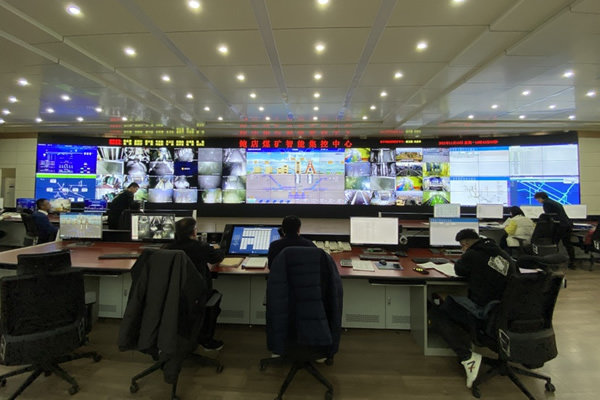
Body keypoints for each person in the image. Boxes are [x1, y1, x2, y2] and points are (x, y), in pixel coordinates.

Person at [429, 229, 515, 389]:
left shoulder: (472, 255)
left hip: (486, 313)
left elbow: (459, 270)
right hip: (509, 314)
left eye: (462, 246)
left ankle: (467, 357)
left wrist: (464, 257)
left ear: (465, 244)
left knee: (437, 310)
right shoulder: (502, 254)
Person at [164, 217, 225, 351]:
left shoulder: (167, 248)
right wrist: (219, 249)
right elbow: (217, 257)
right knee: (212, 298)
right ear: (194, 232)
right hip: (197, 294)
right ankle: (206, 340)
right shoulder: (201, 247)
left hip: (173, 294)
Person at [533, 191, 576, 269]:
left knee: (554, 244)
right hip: (567, 225)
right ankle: (572, 262)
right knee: (568, 244)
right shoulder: (554, 202)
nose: (538, 201)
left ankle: (554, 263)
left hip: (559, 226)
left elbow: (549, 217)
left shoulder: (546, 203)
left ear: (540, 198)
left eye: (537, 199)